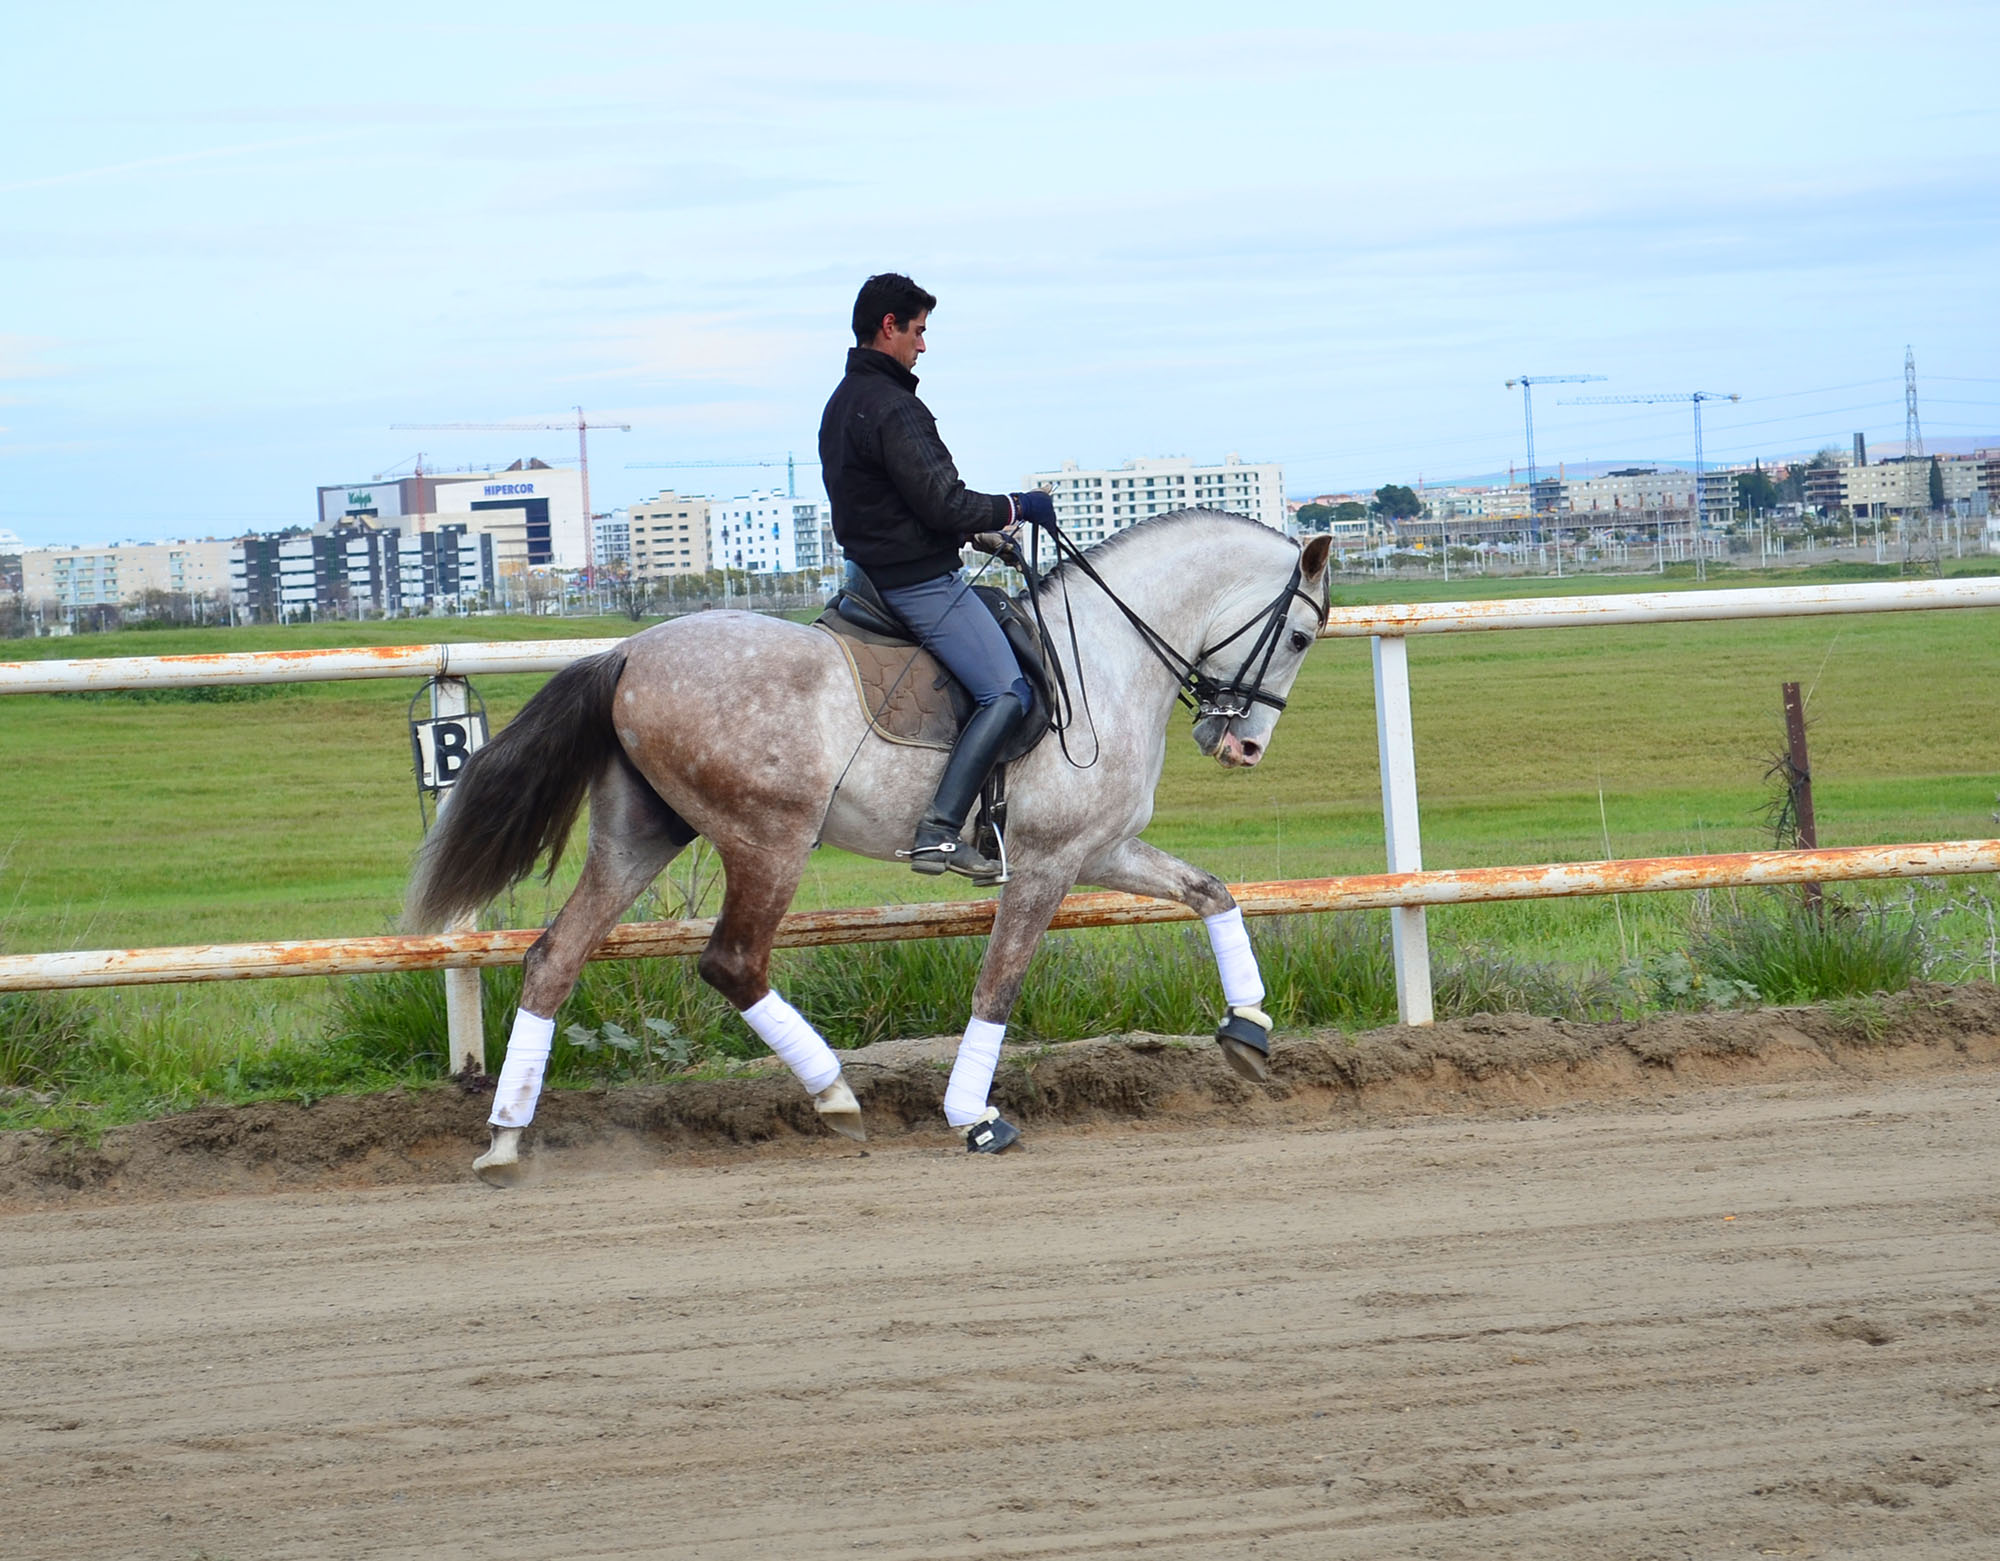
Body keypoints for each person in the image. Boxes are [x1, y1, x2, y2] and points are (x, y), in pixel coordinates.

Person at [818, 272, 1055, 883]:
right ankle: (940, 832)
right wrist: (1016, 507)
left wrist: (979, 537)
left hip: (867, 573)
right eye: (919, 332)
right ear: (889, 327)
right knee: (1007, 692)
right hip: (915, 585)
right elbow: (944, 502)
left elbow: (895, 506)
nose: (923, 346)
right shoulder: (896, 407)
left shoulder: (843, 401)